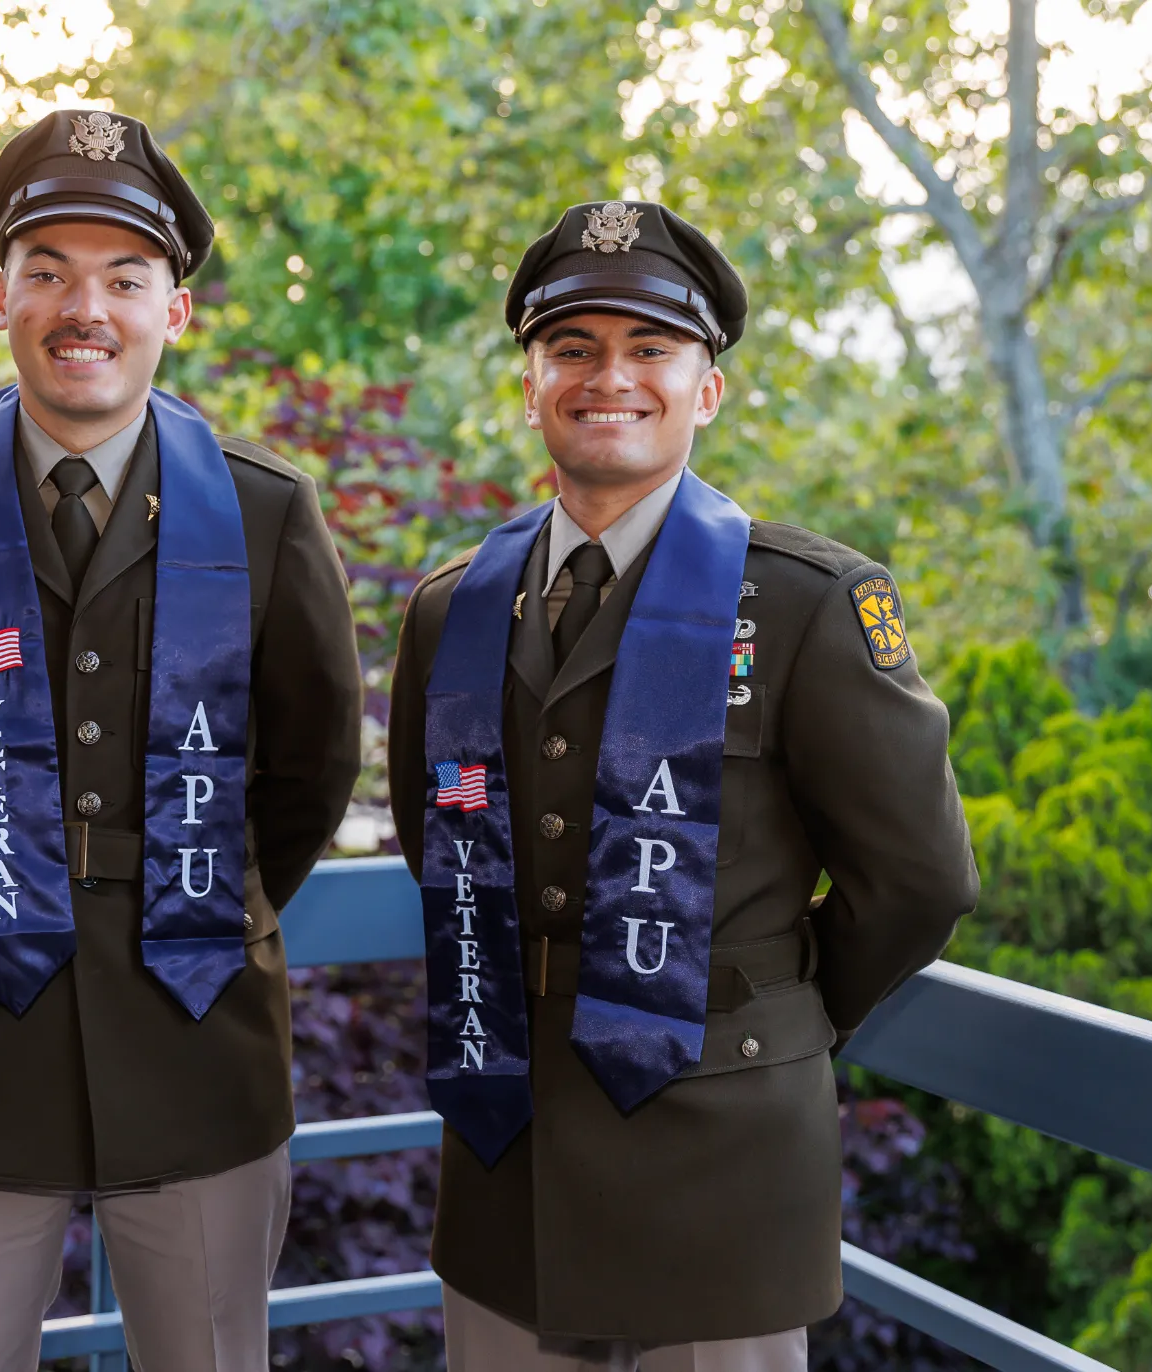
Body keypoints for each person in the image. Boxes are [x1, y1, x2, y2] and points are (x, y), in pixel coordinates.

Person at [0, 109, 363, 1372]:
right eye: (49, 272)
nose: (84, 308)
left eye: (124, 277)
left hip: (196, 1028)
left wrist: (194, 898)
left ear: (177, 310)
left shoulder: (269, 513)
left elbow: (310, 767)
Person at [387, 199, 980, 1372]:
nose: (611, 377)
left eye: (650, 349)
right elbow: (435, 841)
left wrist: (764, 1005)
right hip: (510, 1161)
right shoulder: (452, 605)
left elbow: (916, 881)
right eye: (574, 349)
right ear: (530, 383)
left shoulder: (809, 604)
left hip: (721, 1166)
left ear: (705, 388)